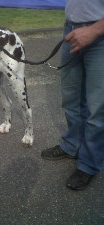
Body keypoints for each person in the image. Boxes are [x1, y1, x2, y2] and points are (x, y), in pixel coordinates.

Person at [41, 0, 104, 190]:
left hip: (100, 35)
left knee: (97, 108)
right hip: (71, 29)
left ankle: (89, 163)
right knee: (71, 99)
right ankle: (72, 145)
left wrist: (94, 30)